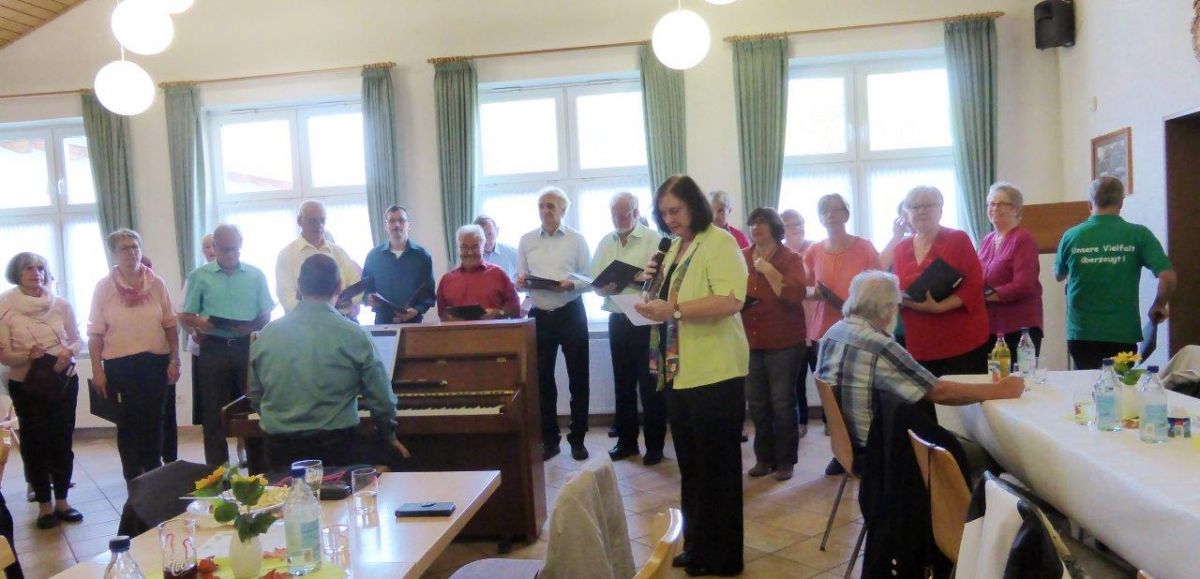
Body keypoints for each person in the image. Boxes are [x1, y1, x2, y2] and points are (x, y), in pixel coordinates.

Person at [635, 176, 748, 578]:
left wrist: (676, 310)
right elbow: (665, 299)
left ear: (694, 206)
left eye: (676, 210)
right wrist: (650, 288)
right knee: (693, 467)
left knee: (718, 468)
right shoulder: (672, 248)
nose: (669, 219)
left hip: (715, 371)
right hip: (678, 371)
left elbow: (731, 300)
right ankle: (697, 545)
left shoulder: (720, 242)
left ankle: (724, 556)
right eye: (663, 213)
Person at [816, 270, 1025, 448]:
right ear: (888, 308)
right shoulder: (879, 345)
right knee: (979, 450)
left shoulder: (834, 331)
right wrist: (999, 390)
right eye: (896, 304)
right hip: (878, 451)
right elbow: (939, 392)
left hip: (848, 443)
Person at [249, 254, 409, 470]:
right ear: (339, 286)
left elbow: (256, 397)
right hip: (338, 449)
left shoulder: (266, 335)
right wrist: (388, 436)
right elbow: (383, 401)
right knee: (402, 457)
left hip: (279, 452)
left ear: (299, 286)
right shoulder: (354, 334)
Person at [87, 229, 180, 481]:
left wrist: (175, 359)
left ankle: (154, 476)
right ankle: (133, 479)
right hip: (120, 365)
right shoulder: (104, 287)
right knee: (127, 424)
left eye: (135, 247)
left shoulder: (157, 283)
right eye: (124, 248)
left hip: (154, 362)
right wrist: (97, 371)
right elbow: (95, 334)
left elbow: (170, 325)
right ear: (114, 254)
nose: (131, 252)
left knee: (154, 421)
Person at [1055, 176, 1176, 369]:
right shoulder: (1139, 234)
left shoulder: (1071, 236)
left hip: (1082, 332)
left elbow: (1059, 275)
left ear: (1090, 203)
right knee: (1120, 385)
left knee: (1088, 383)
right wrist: (1159, 305)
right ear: (1121, 202)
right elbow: (1167, 277)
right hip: (1123, 333)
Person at [0, 253, 84, 529]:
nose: (36, 273)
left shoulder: (60, 304)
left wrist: (68, 351)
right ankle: (44, 506)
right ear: (17, 273)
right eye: (29, 268)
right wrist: (27, 355)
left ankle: (63, 501)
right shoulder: (5, 307)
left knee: (62, 440)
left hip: (63, 381)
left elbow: (77, 340)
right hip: (27, 386)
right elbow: (4, 356)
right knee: (36, 443)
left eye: (40, 268)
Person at [180, 224, 274, 466]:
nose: (230, 254)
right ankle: (218, 473)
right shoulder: (199, 276)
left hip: (247, 346)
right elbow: (186, 315)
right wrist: (201, 323)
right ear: (214, 247)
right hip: (214, 346)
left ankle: (259, 470)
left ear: (240, 247)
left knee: (253, 408)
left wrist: (252, 325)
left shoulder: (255, 275)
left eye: (234, 249)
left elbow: (266, 313)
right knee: (213, 413)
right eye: (224, 249)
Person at [516, 187, 592, 461]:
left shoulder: (576, 239)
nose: (545, 211)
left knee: (578, 379)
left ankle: (578, 440)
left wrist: (570, 284)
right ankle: (550, 440)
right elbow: (520, 279)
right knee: (542, 381)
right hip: (540, 315)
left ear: (563, 210)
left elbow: (590, 279)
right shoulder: (526, 240)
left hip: (571, 312)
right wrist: (521, 282)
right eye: (541, 206)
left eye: (550, 206)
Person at [590, 192, 666, 465]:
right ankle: (627, 442)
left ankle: (655, 446)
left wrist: (637, 278)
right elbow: (596, 285)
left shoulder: (654, 239)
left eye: (624, 215)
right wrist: (604, 287)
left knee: (650, 385)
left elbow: (661, 279)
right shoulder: (605, 242)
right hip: (618, 319)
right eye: (615, 215)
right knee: (622, 384)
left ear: (635, 212)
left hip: (646, 319)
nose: (619, 220)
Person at [894, 186, 991, 376]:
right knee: (925, 396)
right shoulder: (900, 248)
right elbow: (899, 289)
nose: (922, 211)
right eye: (915, 207)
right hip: (919, 342)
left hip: (961, 341)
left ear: (940, 210)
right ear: (906, 213)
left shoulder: (958, 239)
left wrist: (940, 307)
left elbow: (974, 285)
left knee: (963, 395)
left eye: (929, 205)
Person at [741, 208, 807, 482]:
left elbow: (794, 295)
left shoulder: (790, 258)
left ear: (775, 227)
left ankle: (785, 461)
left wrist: (768, 270)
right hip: (750, 340)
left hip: (784, 341)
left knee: (782, 402)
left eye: (762, 222)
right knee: (757, 403)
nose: (756, 227)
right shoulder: (742, 256)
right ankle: (764, 458)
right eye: (753, 223)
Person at [804, 194, 880, 413]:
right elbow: (806, 289)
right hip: (824, 331)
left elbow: (878, 287)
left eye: (836, 209)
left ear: (846, 215)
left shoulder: (864, 247)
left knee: (858, 389)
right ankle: (833, 428)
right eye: (824, 210)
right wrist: (819, 294)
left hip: (858, 329)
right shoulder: (814, 250)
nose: (830, 214)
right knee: (829, 389)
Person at [977, 182, 1044, 356]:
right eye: (991, 204)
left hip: (1020, 327)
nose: (995, 208)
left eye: (1001, 204)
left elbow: (1023, 285)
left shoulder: (1023, 239)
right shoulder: (987, 240)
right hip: (990, 327)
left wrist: (985, 295)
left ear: (1016, 209)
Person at [275, 200, 363, 316]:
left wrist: (347, 302)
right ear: (299, 221)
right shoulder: (286, 255)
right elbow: (286, 296)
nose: (319, 225)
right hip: (303, 322)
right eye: (313, 220)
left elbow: (357, 286)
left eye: (322, 220)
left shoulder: (339, 252)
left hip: (340, 319)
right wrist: (319, 313)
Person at [362, 205, 436, 325]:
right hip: (382, 323)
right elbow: (365, 289)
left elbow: (429, 293)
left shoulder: (422, 256)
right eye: (392, 221)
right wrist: (367, 299)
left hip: (413, 323)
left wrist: (416, 310)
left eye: (401, 220)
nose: (396, 225)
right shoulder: (373, 256)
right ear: (386, 226)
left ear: (409, 225)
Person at [781, 209, 818, 430]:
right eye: (791, 224)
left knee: (823, 375)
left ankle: (829, 421)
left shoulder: (815, 248)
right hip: (793, 325)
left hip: (817, 324)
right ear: (782, 228)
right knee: (797, 380)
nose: (797, 228)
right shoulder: (781, 254)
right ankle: (802, 421)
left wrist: (800, 290)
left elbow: (818, 285)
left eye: (800, 223)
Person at [436, 225, 520, 320]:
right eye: (464, 247)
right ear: (458, 248)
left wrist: (499, 313)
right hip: (458, 330)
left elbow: (514, 308)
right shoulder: (446, 280)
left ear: (483, 246)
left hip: (493, 329)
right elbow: (442, 313)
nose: (470, 252)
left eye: (475, 247)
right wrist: (450, 319)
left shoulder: (499, 274)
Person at [474, 215, 519, 279]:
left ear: (497, 231)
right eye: (481, 236)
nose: (486, 241)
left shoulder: (513, 253)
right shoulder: (470, 257)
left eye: (490, 234)